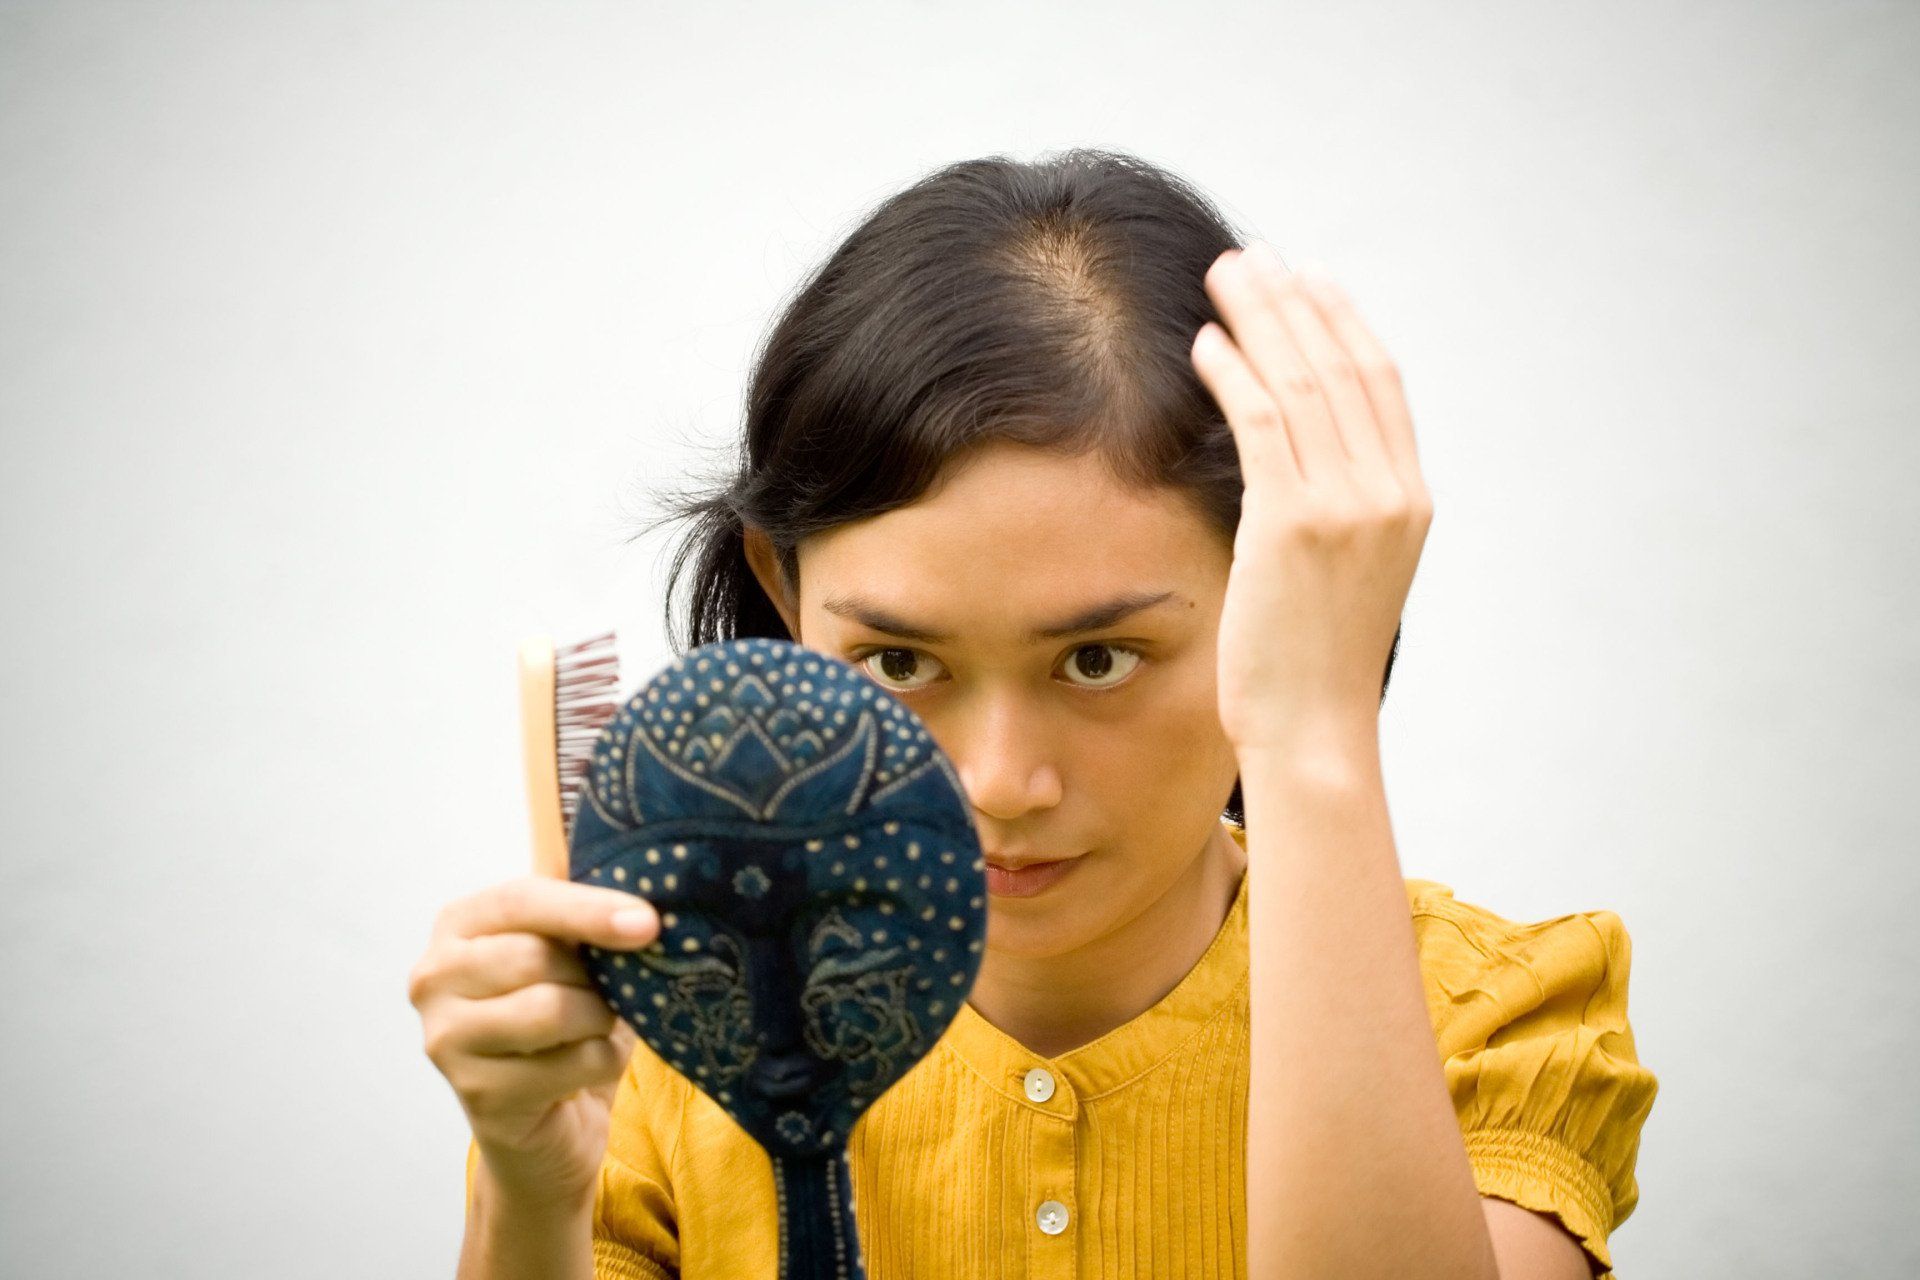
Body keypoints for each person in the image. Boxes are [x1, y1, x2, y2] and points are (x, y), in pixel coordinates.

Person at [409, 148, 1658, 1280]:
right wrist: (531, 1195)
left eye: (1100, 659)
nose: (1000, 782)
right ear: (787, 592)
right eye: (900, 662)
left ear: (1271, 599)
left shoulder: (1488, 1015)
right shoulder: (666, 1044)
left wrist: (1318, 728)